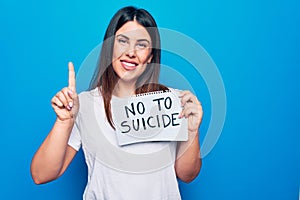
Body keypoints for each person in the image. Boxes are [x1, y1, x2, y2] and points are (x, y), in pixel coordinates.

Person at [30, 6, 203, 200]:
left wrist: (192, 131)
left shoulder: (173, 103)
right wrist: (64, 122)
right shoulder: (84, 105)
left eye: (141, 44)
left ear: (150, 57)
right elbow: (41, 175)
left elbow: (187, 175)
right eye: (122, 41)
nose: (130, 52)